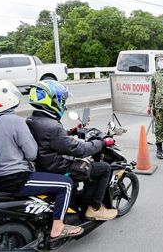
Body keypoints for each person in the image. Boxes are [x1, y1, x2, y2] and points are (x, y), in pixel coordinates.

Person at [0, 79, 83, 241]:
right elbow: (31, 153)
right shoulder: (14, 120)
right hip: (14, 179)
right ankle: (58, 227)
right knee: (66, 184)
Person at [26, 80, 118, 221]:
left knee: (88, 167)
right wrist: (101, 143)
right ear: (53, 100)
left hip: (44, 165)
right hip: (58, 167)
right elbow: (79, 149)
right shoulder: (52, 126)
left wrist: (70, 132)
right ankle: (95, 208)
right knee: (103, 168)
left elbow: (50, 140)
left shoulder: (33, 119)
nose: (63, 104)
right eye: (62, 100)